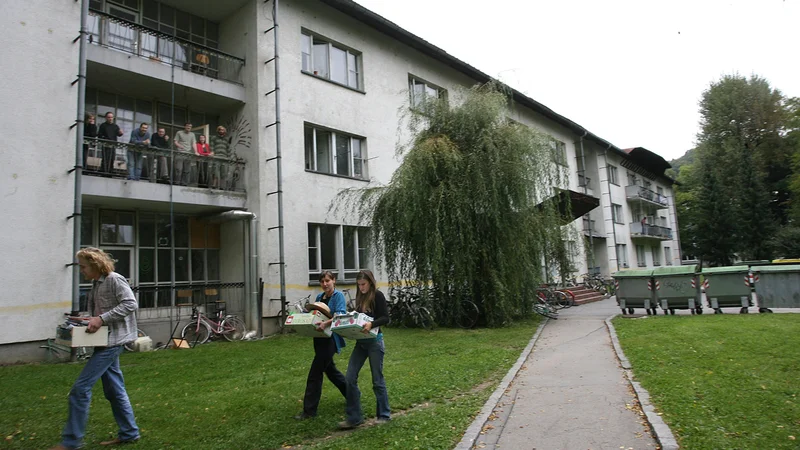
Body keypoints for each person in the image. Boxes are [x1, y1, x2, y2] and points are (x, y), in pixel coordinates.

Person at [49, 248, 140, 450]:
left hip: (113, 343)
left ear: (95, 264)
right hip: (103, 341)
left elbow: (130, 304)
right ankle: (129, 433)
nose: (81, 271)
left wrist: (101, 319)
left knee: (80, 389)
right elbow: (100, 313)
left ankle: (71, 442)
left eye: (83, 266)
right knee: (114, 390)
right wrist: (86, 320)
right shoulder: (96, 284)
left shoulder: (114, 279)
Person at [340, 269, 391, 429]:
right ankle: (354, 417)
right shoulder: (360, 297)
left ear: (370, 282)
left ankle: (383, 415)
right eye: (359, 285)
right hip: (361, 343)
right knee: (350, 377)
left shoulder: (378, 295)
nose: (361, 287)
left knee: (377, 380)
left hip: (375, 342)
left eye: (363, 284)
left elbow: (385, 317)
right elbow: (360, 316)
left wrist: (372, 324)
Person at [295, 271, 348, 420]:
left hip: (331, 339)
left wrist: (325, 323)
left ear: (334, 281)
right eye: (322, 281)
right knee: (331, 371)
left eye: (327, 281)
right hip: (319, 338)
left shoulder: (338, 297)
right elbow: (315, 314)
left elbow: (340, 315)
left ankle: (309, 411)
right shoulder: (319, 297)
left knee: (315, 374)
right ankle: (353, 394)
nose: (325, 284)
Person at [210, 125, 232, 190]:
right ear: (218, 131)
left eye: (223, 130)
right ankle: (214, 185)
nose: (221, 131)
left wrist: (229, 156)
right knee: (215, 171)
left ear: (224, 131)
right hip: (216, 156)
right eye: (220, 130)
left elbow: (228, 148)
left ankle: (222, 186)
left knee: (223, 173)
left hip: (224, 157)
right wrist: (212, 152)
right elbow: (211, 146)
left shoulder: (226, 139)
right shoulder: (214, 138)